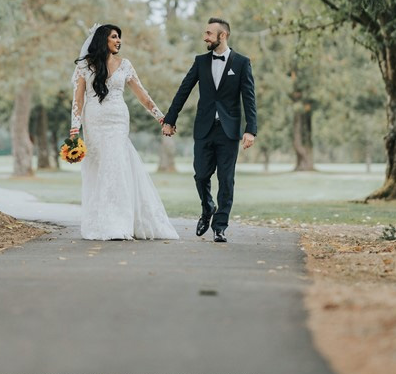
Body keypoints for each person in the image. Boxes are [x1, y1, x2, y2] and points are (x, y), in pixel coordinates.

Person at [70, 23, 179, 241]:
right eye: (114, 36)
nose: (119, 40)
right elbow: (78, 99)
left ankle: (119, 222)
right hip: (94, 121)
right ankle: (101, 221)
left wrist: (161, 118)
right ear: (103, 40)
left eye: (119, 37)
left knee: (117, 165)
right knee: (98, 168)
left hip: (118, 120)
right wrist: (74, 130)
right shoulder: (85, 66)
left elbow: (143, 96)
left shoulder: (125, 65)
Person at [162, 18, 257, 243]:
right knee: (201, 175)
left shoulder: (242, 63)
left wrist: (250, 129)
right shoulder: (200, 61)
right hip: (204, 129)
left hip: (229, 131)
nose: (205, 37)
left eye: (209, 33)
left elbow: (249, 98)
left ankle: (220, 226)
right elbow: (183, 90)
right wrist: (170, 119)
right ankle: (208, 207)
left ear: (222, 35)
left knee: (226, 179)